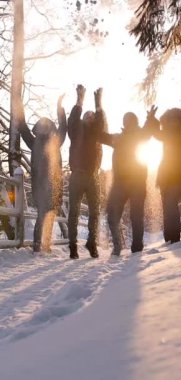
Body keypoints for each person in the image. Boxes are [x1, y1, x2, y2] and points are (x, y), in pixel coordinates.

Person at [99, 110, 157, 256]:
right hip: (122, 183)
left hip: (136, 182)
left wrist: (150, 119)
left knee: (135, 215)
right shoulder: (120, 137)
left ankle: (136, 248)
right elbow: (102, 136)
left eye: (129, 120)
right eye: (125, 120)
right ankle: (121, 246)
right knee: (114, 214)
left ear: (134, 122)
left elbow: (149, 130)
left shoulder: (138, 134)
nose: (127, 122)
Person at [19, 95, 67, 253]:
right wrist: (18, 106)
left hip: (53, 185)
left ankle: (45, 245)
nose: (44, 129)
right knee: (42, 215)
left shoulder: (56, 142)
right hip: (40, 186)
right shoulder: (34, 142)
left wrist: (60, 108)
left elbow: (63, 128)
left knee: (50, 214)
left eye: (46, 126)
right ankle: (37, 245)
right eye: (41, 126)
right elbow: (23, 127)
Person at [67, 84, 107, 259]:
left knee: (94, 212)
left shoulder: (97, 134)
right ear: (83, 119)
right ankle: (72, 246)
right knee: (73, 212)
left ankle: (92, 243)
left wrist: (98, 104)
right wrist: (80, 101)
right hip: (76, 176)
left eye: (92, 116)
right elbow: (72, 121)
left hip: (93, 177)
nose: (90, 117)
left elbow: (101, 124)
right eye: (87, 115)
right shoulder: (76, 131)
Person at [151, 107, 181, 243]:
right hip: (165, 175)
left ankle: (175, 236)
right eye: (171, 120)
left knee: (170, 201)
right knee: (166, 204)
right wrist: (152, 118)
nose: (173, 122)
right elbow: (155, 133)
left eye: (176, 120)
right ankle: (168, 237)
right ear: (167, 121)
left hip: (180, 175)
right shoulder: (165, 133)